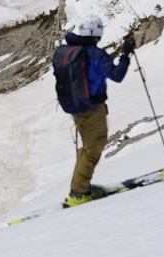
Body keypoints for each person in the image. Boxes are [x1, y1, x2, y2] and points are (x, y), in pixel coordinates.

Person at [52, 15, 136, 207]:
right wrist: (125, 53)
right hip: (92, 107)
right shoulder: (95, 54)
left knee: (87, 147)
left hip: (76, 107)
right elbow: (117, 75)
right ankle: (79, 193)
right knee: (93, 148)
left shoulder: (69, 51)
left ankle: (81, 187)